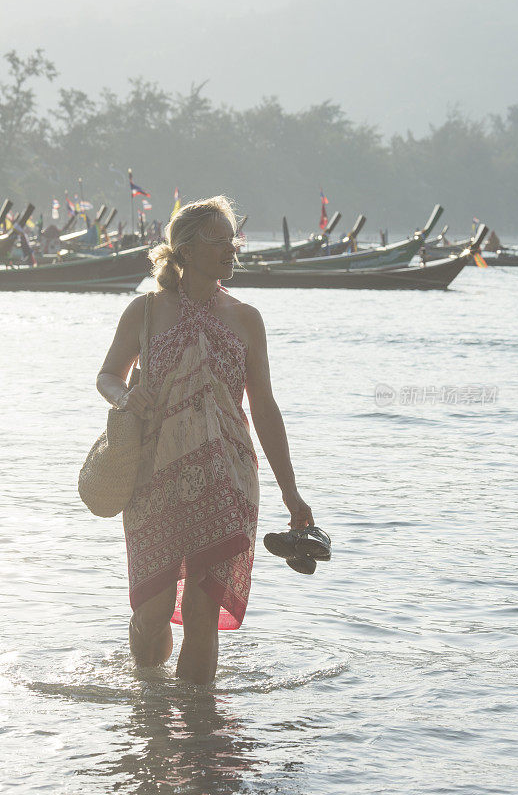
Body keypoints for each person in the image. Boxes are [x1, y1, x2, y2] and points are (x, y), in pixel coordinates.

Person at [96, 196, 314, 684]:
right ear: (188, 250)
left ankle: (199, 736)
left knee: (200, 614)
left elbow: (265, 408)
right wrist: (124, 399)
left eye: (234, 240)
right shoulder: (145, 312)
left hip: (227, 479)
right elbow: (109, 376)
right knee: (151, 618)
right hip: (154, 479)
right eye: (221, 241)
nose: (232, 250)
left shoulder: (247, 319)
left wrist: (291, 491)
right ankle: (150, 712)